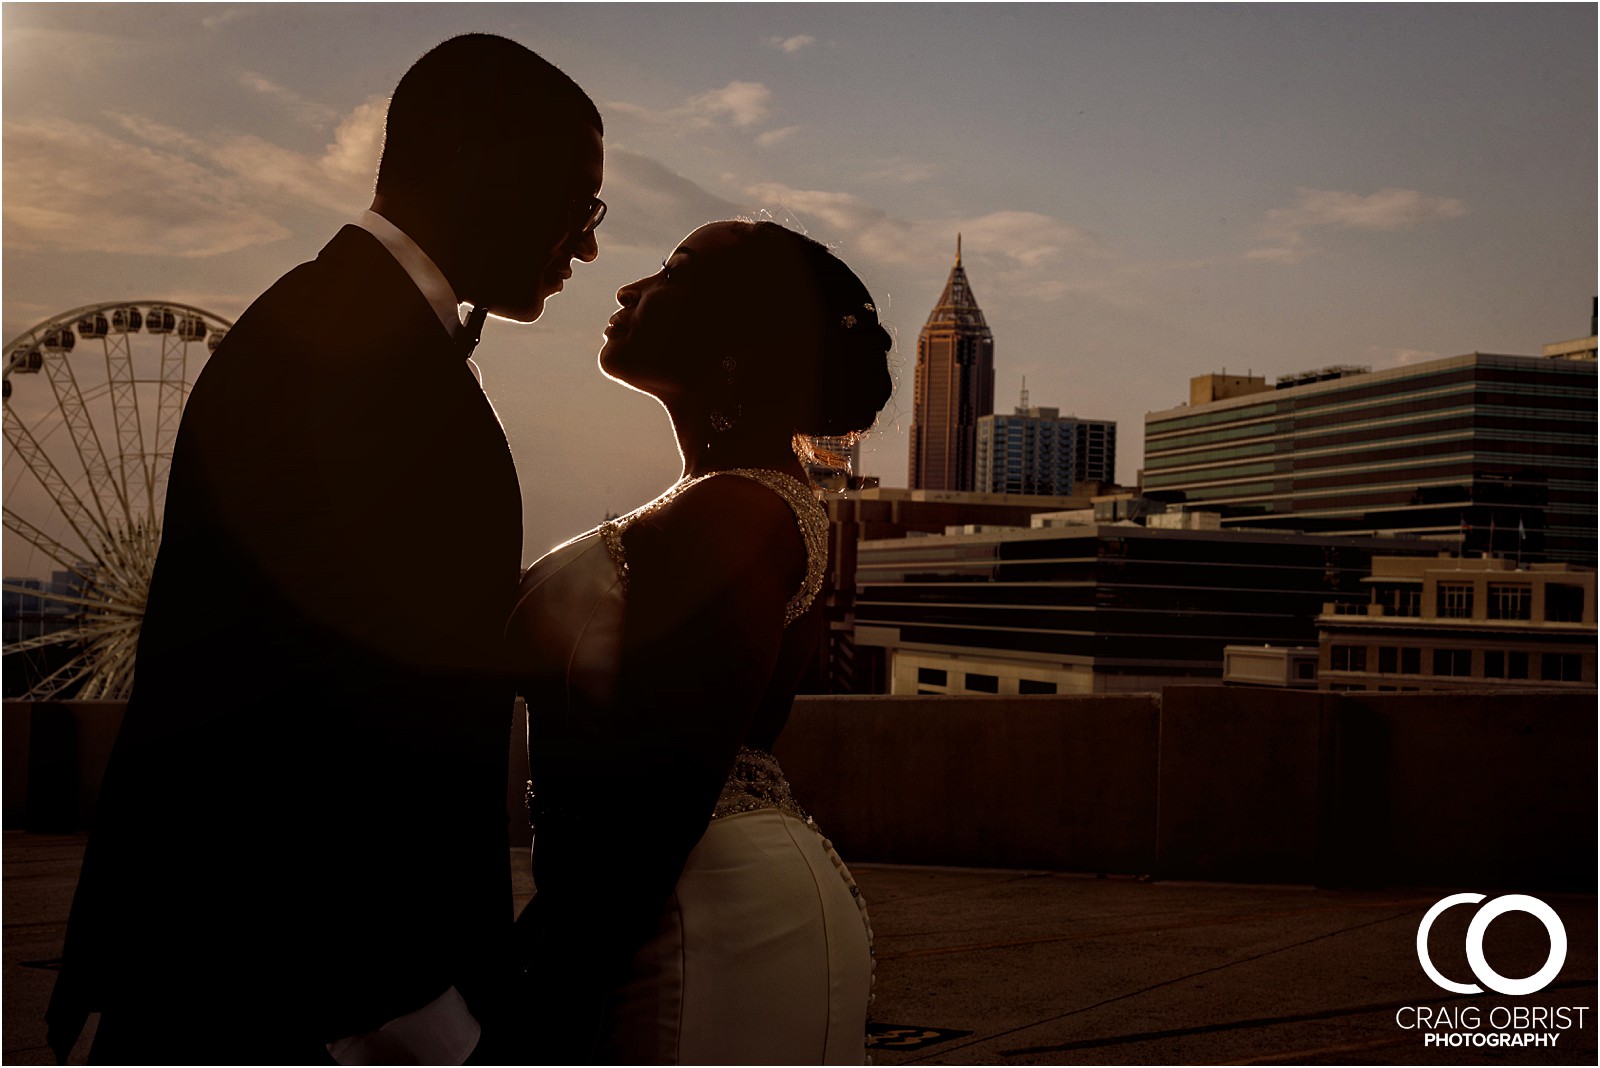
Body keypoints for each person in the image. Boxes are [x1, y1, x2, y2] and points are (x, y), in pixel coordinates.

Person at [46, 34, 603, 1064]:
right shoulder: (349, 351)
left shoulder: (340, 323)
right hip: (272, 991)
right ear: (491, 171)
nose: (586, 247)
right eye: (580, 204)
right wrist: (420, 1009)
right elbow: (331, 712)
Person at [506, 219, 893, 1063]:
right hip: (688, 889)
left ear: (735, 343)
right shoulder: (735, 500)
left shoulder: (732, 513)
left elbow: (665, 781)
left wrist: (554, 972)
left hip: (694, 907)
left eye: (672, 272)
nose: (627, 287)